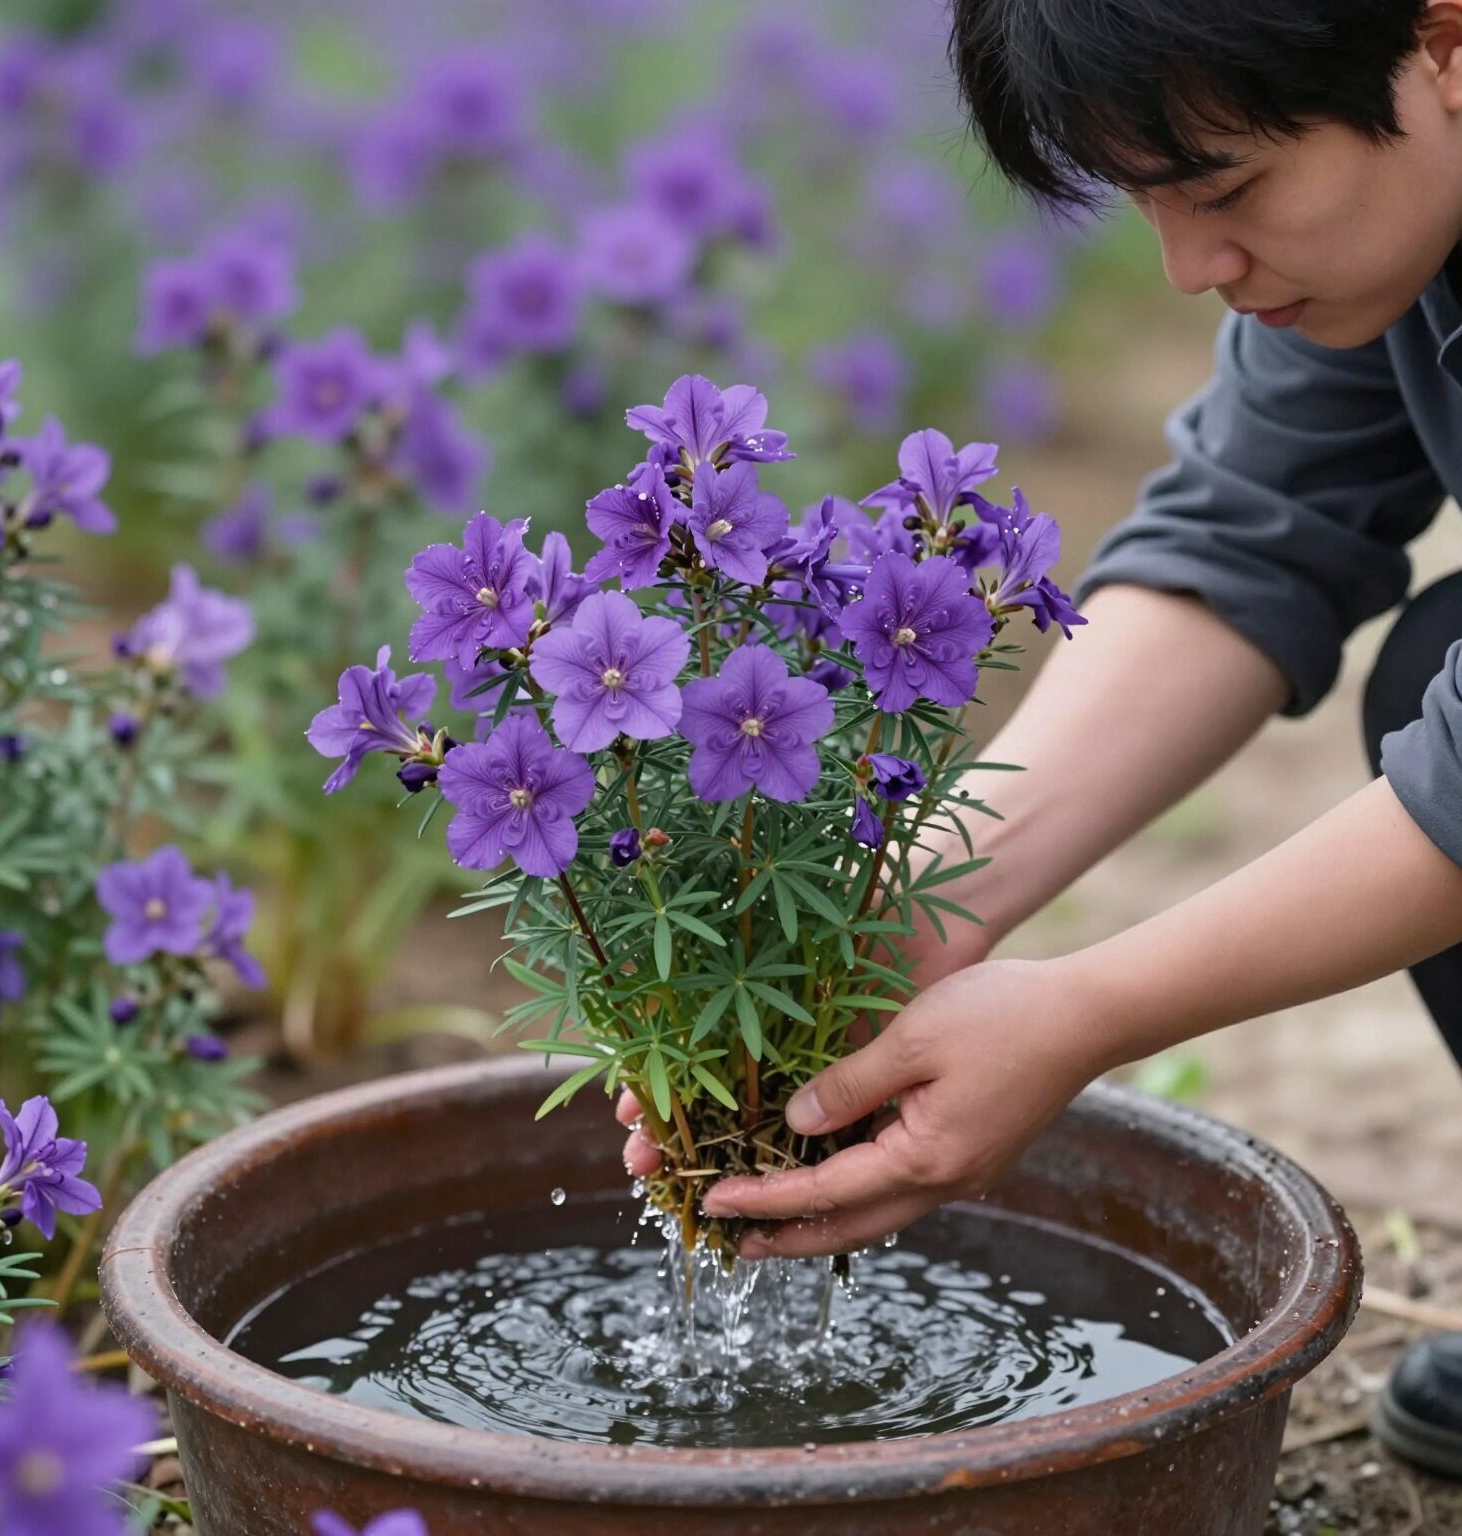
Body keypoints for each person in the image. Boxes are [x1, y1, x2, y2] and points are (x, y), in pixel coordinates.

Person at [617, 0, 1462, 1481]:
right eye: (1147, 204)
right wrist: (918, 902)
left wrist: (1082, 1012)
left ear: (1445, 45)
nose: (1191, 270)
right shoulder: (1386, 235)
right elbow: (1251, 536)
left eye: (1223, 190)